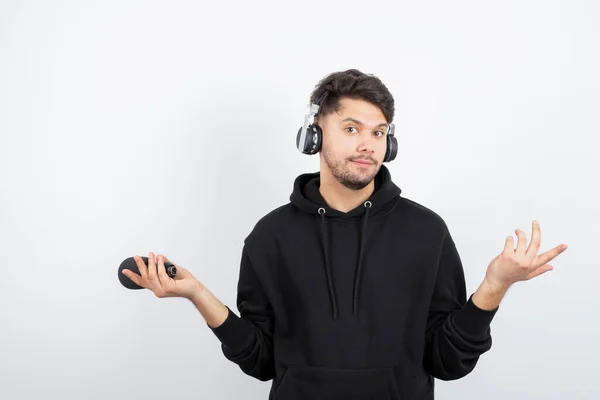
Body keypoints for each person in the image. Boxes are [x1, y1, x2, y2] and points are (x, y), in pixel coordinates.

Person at [122, 69, 568, 399]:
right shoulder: (270, 236)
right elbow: (261, 361)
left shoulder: (426, 232)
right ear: (315, 136)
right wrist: (199, 294)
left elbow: (448, 363)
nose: (367, 145)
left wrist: (495, 286)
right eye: (351, 129)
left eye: (378, 132)